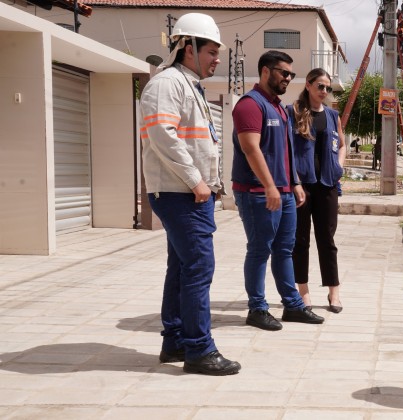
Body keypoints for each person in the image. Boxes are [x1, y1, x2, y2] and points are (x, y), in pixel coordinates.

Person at [140, 13, 240, 375]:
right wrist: (197, 181)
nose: (217, 58)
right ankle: (199, 349)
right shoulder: (167, 84)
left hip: (187, 192)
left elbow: (195, 141)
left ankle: (176, 342)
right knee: (199, 267)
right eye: (212, 51)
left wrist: (208, 182)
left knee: (182, 267)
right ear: (188, 47)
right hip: (180, 192)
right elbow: (163, 135)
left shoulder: (189, 85)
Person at [231, 50, 325, 331]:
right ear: (265, 71)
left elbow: (286, 151)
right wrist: (270, 186)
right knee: (260, 250)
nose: (288, 78)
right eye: (284, 72)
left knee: (285, 249)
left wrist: (294, 182)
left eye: (291, 74)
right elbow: (250, 148)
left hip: (283, 192)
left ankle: (293, 305)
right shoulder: (250, 105)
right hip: (257, 192)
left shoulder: (279, 108)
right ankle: (257, 309)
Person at [286, 68, 346, 313]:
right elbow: (287, 151)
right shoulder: (294, 112)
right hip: (303, 186)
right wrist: (294, 182)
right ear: (308, 85)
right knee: (300, 240)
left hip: (327, 185)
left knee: (327, 239)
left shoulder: (332, 115)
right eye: (320, 86)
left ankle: (334, 292)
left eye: (327, 87)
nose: (324, 91)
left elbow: (341, 145)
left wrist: (339, 167)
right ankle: (304, 292)